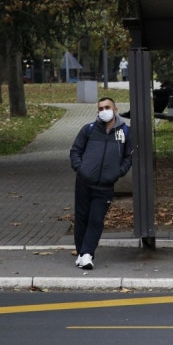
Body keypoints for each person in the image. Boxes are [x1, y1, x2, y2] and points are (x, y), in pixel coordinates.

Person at [68, 97, 133, 270]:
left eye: (107, 107)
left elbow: (129, 156)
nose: (104, 111)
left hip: (105, 185)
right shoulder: (88, 130)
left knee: (96, 219)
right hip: (84, 182)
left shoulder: (125, 132)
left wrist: (118, 172)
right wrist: (80, 169)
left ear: (115, 110)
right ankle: (81, 252)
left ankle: (88, 254)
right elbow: (75, 151)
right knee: (82, 217)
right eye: (100, 108)